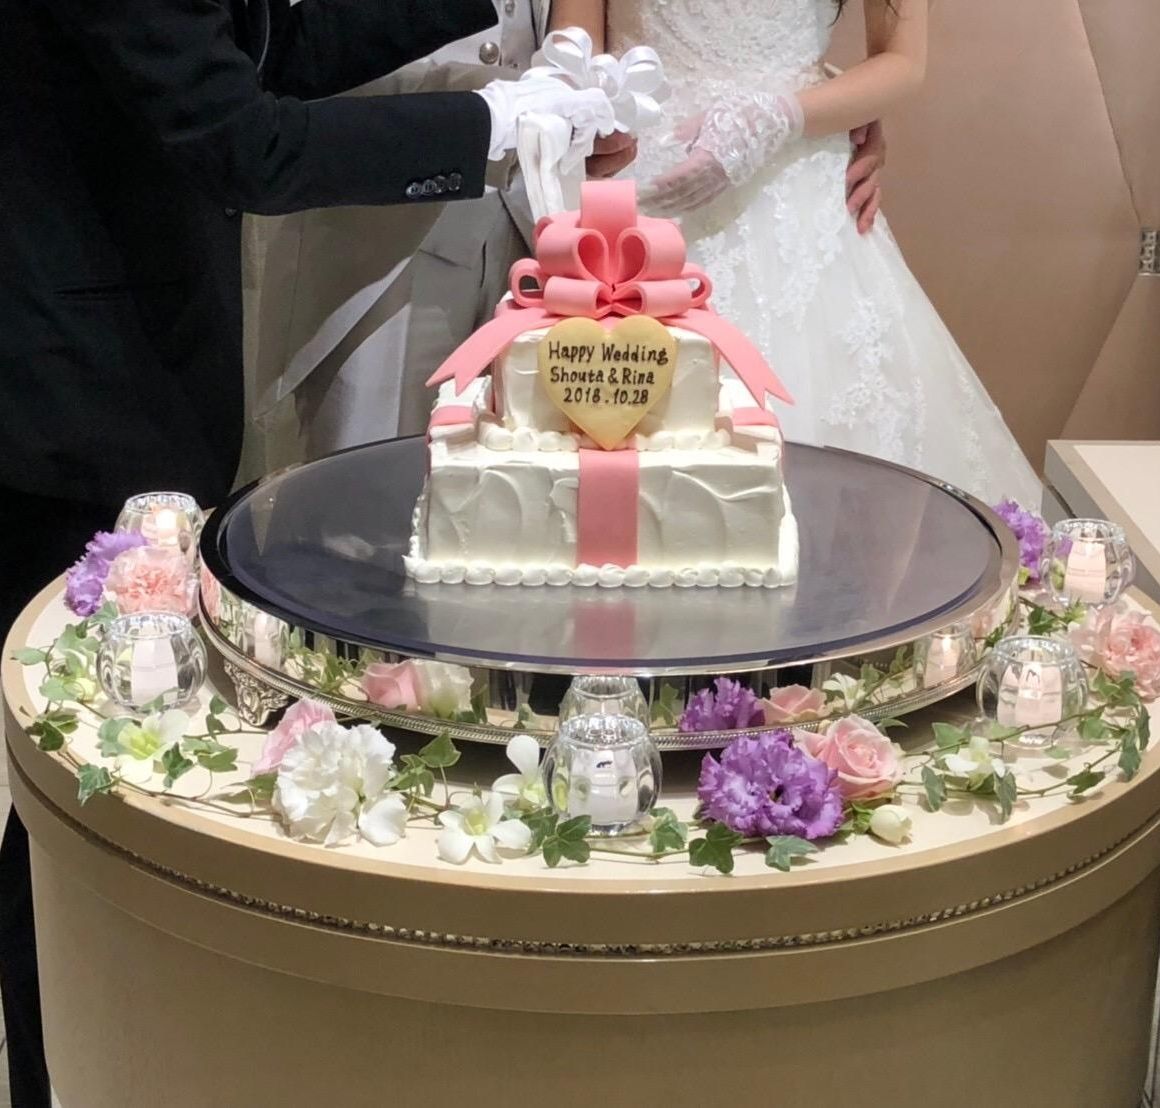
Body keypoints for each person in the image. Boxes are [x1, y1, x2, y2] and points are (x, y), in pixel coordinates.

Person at [0, 0, 614, 1102]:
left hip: (124, 360)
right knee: (72, 777)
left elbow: (265, 46)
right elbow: (250, 145)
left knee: (101, 763)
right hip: (68, 387)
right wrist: (490, 122)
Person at [553, 0, 1042, 507]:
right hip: (639, 181)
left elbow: (902, 60)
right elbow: (572, 46)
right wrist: (580, 125)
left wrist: (778, 115)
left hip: (798, 191)